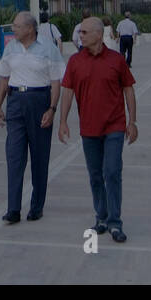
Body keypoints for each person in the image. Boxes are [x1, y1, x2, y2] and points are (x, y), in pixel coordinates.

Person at [58, 16, 138, 243]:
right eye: (79, 32)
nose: (79, 36)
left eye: (84, 32)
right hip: (88, 128)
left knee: (111, 172)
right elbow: (67, 92)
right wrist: (62, 121)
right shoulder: (74, 61)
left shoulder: (116, 60)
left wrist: (132, 121)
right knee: (95, 175)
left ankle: (115, 221)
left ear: (98, 34)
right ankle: (101, 217)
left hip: (114, 126)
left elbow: (128, 90)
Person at [0, 12, 64, 224]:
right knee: (14, 156)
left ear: (29, 29)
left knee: (39, 156)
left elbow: (55, 82)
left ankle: (36, 206)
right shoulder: (11, 48)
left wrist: (52, 108)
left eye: (16, 26)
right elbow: (4, 78)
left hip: (39, 101)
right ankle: (13, 209)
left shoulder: (48, 49)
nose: (13, 29)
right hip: (16, 101)